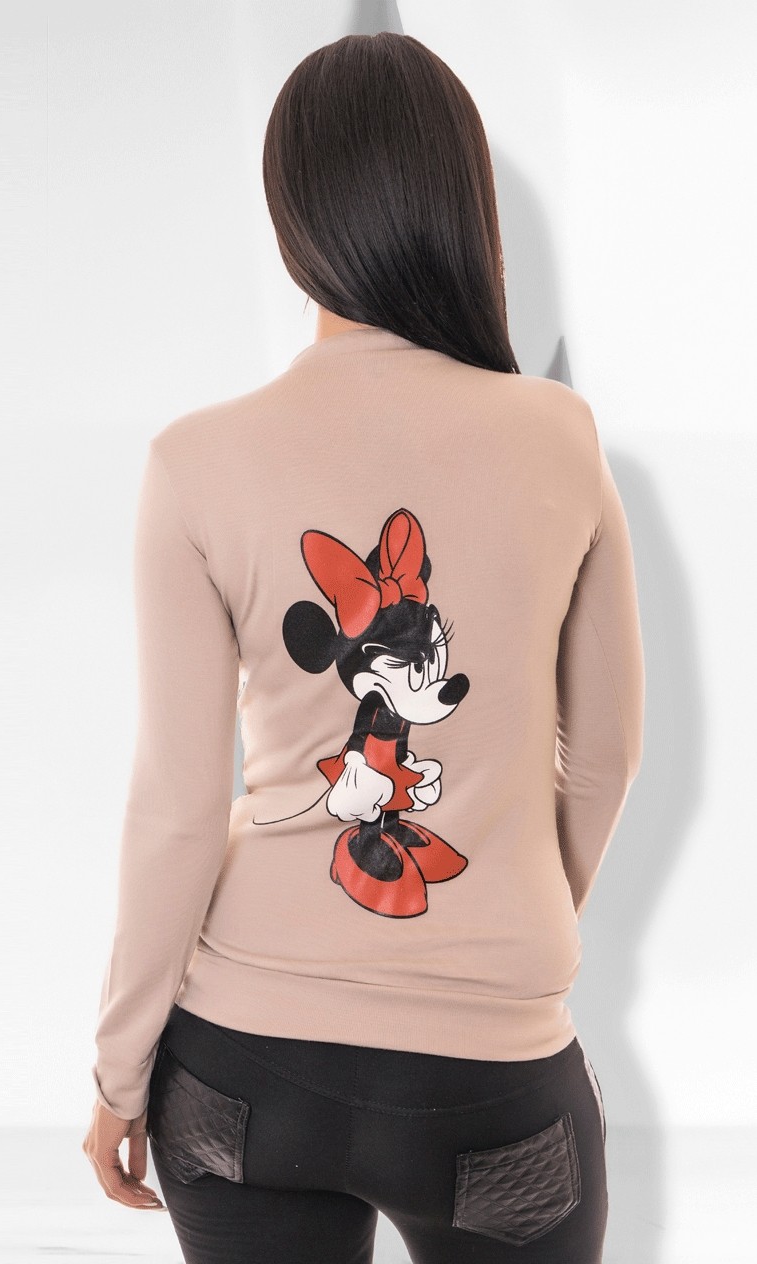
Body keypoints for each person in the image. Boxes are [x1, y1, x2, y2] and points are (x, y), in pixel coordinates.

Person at [82, 31, 644, 1264]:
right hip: (494, 1091)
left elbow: (178, 808)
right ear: (462, 205)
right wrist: (505, 924)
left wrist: (120, 1071)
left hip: (238, 1080)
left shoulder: (194, 461)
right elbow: (603, 758)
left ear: (292, 223)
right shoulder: (559, 437)